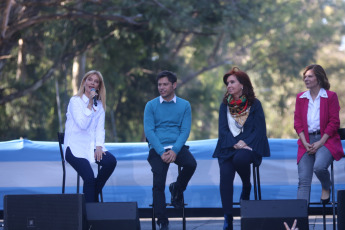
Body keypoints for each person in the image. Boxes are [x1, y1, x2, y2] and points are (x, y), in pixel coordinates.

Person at [213, 67, 270, 230]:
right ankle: (228, 217)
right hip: (228, 146)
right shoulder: (224, 105)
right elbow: (222, 130)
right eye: (227, 83)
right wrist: (234, 143)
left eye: (232, 82)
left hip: (249, 146)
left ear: (242, 85)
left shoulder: (255, 104)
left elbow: (259, 130)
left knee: (240, 158)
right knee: (225, 176)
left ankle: (246, 185)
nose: (228, 86)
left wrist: (244, 143)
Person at [144, 70, 197, 230]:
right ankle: (162, 221)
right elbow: (149, 131)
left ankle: (177, 187)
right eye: (159, 84)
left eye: (165, 84)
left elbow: (185, 131)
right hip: (157, 148)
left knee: (191, 164)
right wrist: (161, 151)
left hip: (177, 146)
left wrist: (174, 150)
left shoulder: (184, 105)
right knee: (158, 184)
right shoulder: (151, 105)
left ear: (174, 85)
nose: (161, 87)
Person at [64, 70, 117, 202]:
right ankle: (90, 214)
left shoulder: (99, 105)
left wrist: (99, 146)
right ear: (84, 82)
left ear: (99, 86)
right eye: (90, 79)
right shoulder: (75, 101)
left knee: (111, 161)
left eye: (96, 81)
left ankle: (91, 196)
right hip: (75, 148)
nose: (92, 82)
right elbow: (82, 125)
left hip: (91, 146)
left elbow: (100, 129)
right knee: (89, 178)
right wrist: (89, 104)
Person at [294, 64, 344, 204]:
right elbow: (297, 123)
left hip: (326, 140)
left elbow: (334, 122)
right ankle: (300, 221)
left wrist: (320, 142)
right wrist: (305, 142)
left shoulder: (330, 96)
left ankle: (326, 186)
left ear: (319, 78)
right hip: (306, 141)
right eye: (305, 77)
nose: (306, 79)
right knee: (303, 181)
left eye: (310, 76)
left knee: (319, 167)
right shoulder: (301, 97)